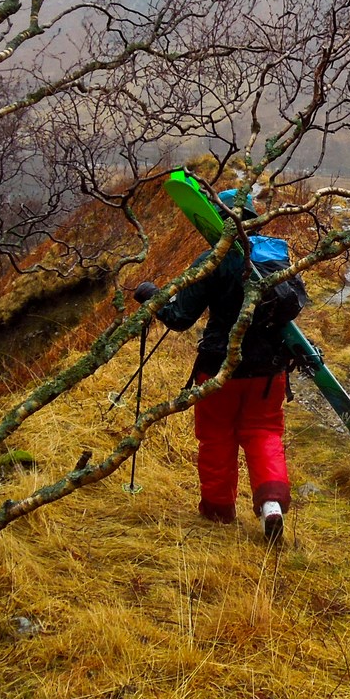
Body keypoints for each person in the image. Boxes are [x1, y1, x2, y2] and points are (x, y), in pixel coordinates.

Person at [133, 189, 308, 543]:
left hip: (218, 367)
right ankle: (271, 506)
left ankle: (218, 511)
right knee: (264, 432)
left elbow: (180, 317)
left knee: (216, 437)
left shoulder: (215, 258)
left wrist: (152, 295)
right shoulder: (277, 255)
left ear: (217, 219)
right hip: (268, 370)